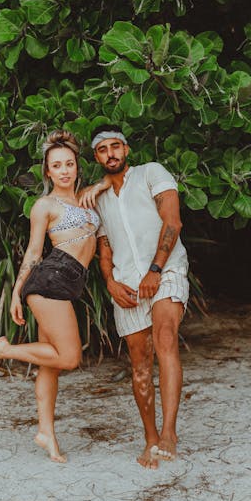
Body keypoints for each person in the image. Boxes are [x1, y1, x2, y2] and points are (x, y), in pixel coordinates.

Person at [0, 130, 108, 463]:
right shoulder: (45, 205)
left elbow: (111, 181)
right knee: (69, 358)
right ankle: (5, 350)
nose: (64, 170)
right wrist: (17, 293)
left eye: (69, 164)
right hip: (51, 280)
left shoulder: (87, 198)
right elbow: (34, 253)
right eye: (56, 166)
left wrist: (102, 185)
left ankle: (46, 433)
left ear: (77, 167)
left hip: (69, 283)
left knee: (49, 364)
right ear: (47, 172)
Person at [89, 125, 189, 470]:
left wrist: (156, 271)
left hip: (166, 272)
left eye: (116, 147)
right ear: (97, 157)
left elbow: (172, 222)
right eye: (103, 150)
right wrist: (110, 283)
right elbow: (104, 249)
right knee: (140, 365)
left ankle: (169, 434)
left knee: (165, 339)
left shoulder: (152, 173)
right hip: (125, 285)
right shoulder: (98, 198)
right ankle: (150, 438)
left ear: (127, 150)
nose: (111, 154)